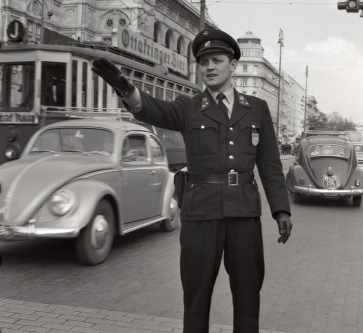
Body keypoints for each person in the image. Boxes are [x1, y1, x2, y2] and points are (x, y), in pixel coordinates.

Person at [92, 27, 292, 333]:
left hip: (243, 214)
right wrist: (125, 88)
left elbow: (270, 164)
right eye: (203, 62)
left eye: (217, 60)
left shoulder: (257, 108)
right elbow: (151, 109)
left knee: (249, 295)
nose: (209, 67)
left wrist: (281, 209)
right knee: (196, 298)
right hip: (201, 215)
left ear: (232, 65)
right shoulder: (188, 108)